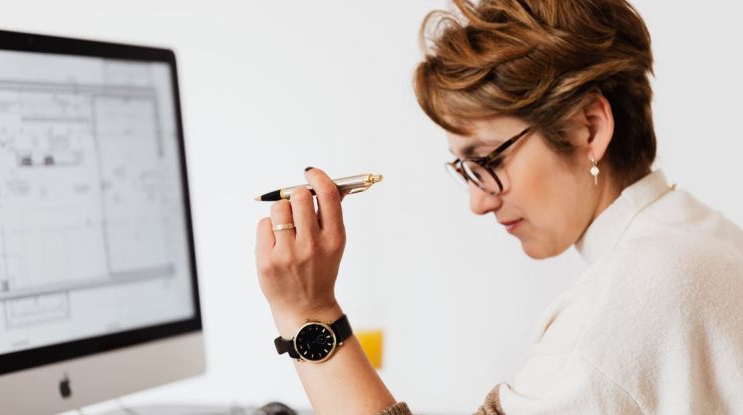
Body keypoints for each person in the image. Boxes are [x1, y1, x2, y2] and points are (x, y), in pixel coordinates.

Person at [254, 0, 743, 413]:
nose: (478, 202)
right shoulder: (699, 235)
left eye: (486, 160)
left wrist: (309, 313)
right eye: (464, 169)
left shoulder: (619, 309)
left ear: (588, 128)